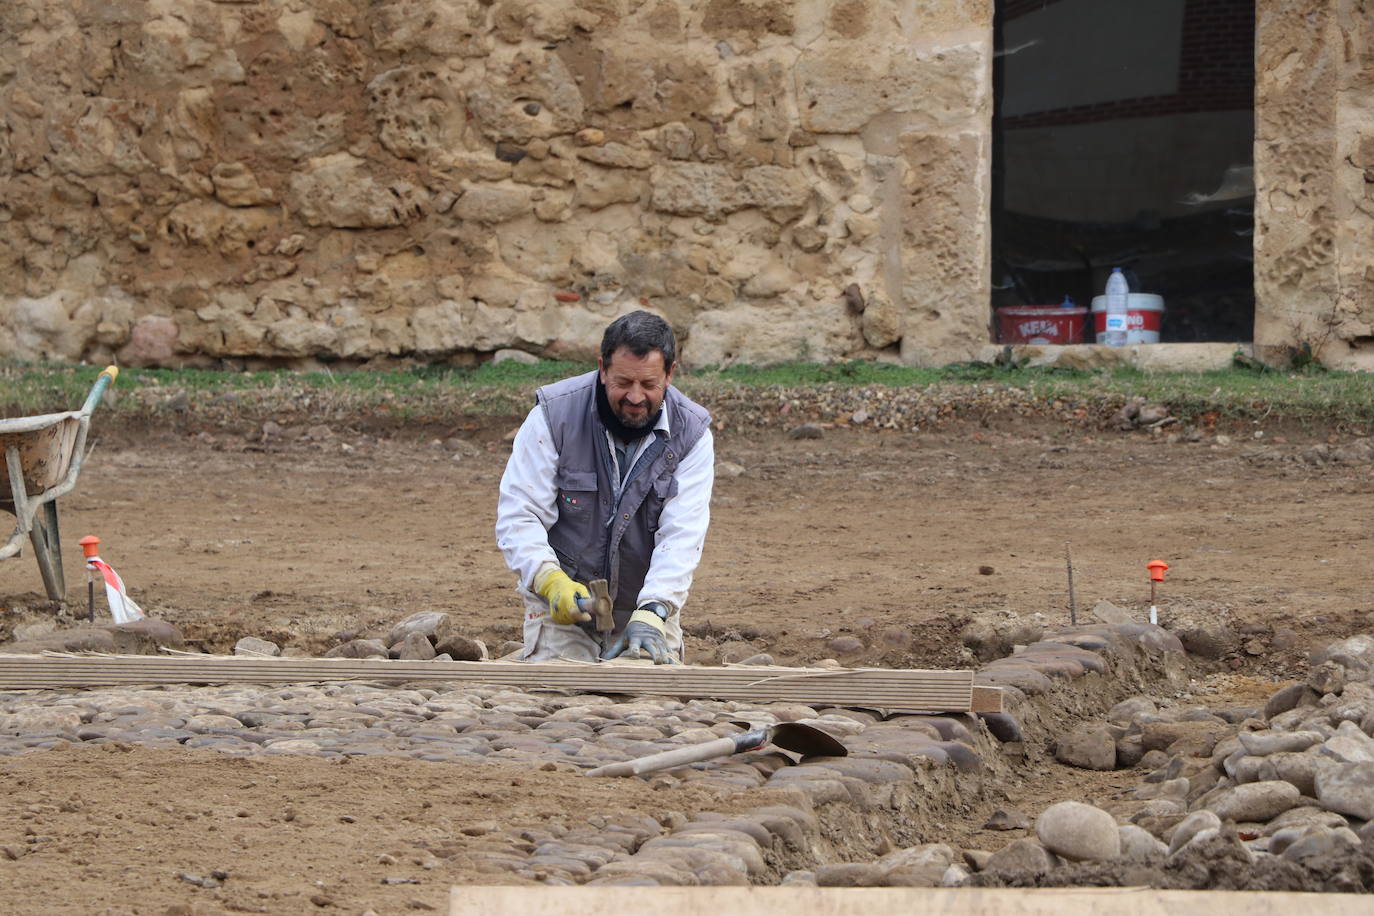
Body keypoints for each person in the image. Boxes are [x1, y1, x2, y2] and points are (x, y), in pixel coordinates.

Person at [496, 310, 714, 664]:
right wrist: (550, 581)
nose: (635, 397)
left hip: (645, 605)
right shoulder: (554, 415)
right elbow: (519, 514)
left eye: (648, 384)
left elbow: (682, 535)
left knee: (649, 704)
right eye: (623, 382)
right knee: (562, 703)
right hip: (564, 606)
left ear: (670, 374)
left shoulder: (692, 434)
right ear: (602, 368)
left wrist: (654, 609)